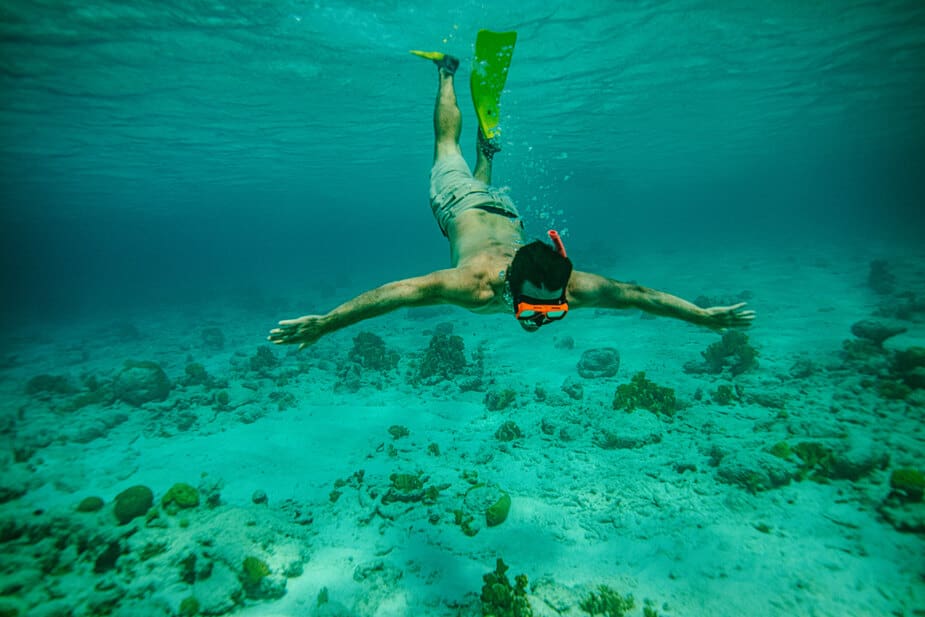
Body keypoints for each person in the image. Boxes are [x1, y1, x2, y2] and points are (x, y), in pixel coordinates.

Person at [268, 53, 754, 349]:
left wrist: (702, 316)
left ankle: (487, 151)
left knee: (480, 173)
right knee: (444, 148)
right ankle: (446, 74)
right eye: (531, 312)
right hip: (462, 201)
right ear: (509, 287)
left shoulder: (565, 284)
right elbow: (395, 294)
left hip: (502, 209)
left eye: (550, 312)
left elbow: (636, 295)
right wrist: (326, 324)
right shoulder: (474, 284)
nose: (540, 320)